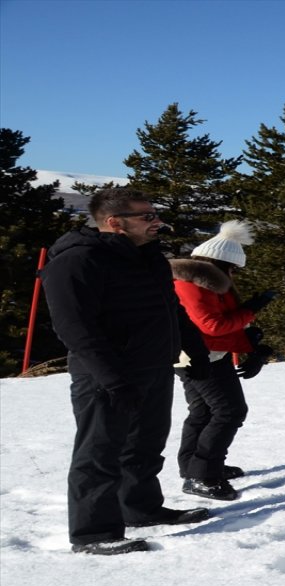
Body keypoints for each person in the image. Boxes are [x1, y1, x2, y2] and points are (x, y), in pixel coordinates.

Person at [41, 187, 213, 555]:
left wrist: (195, 350)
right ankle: (93, 534)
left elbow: (171, 309)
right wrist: (113, 379)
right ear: (115, 223)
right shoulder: (78, 260)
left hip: (153, 365)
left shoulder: (146, 256)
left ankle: (141, 508)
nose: (157, 222)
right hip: (105, 374)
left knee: (145, 445)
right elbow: (74, 328)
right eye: (147, 216)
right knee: (99, 452)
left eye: (155, 214)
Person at [170, 220, 277, 501]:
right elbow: (212, 326)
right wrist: (251, 310)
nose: (233, 274)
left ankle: (195, 466)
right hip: (201, 357)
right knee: (229, 411)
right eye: (231, 268)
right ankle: (202, 475)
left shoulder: (205, 283)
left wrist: (251, 341)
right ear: (217, 264)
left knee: (203, 412)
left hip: (201, 355)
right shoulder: (191, 285)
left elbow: (221, 322)